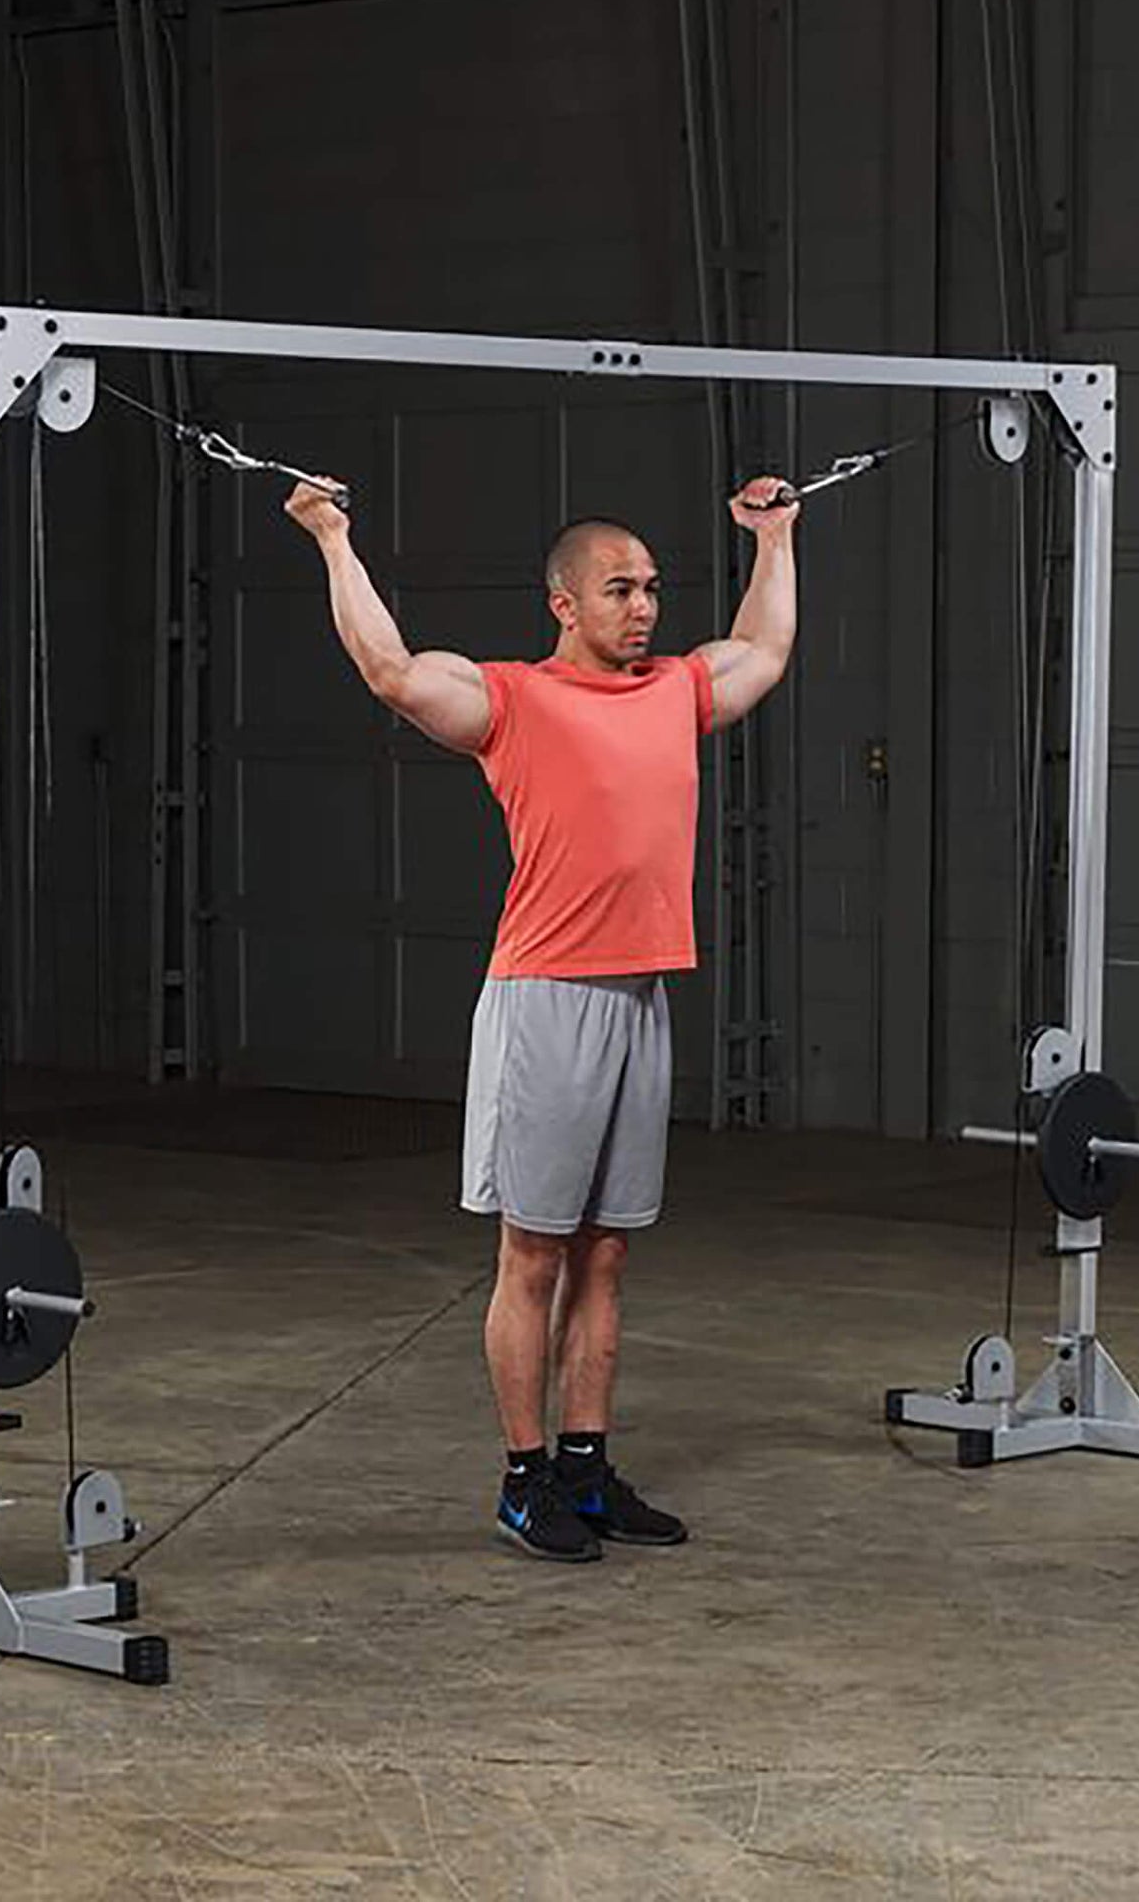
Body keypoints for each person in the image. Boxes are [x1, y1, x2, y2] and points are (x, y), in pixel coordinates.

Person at [285, 469, 798, 1560]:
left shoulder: (674, 691)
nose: (643, 607)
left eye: (651, 588)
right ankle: (525, 1479)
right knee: (533, 1255)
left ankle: (586, 1467)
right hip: (548, 999)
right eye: (619, 589)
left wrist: (774, 539)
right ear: (564, 603)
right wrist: (331, 538)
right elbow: (390, 669)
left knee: (604, 1254)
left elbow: (761, 650)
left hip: (641, 993)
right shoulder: (512, 699)